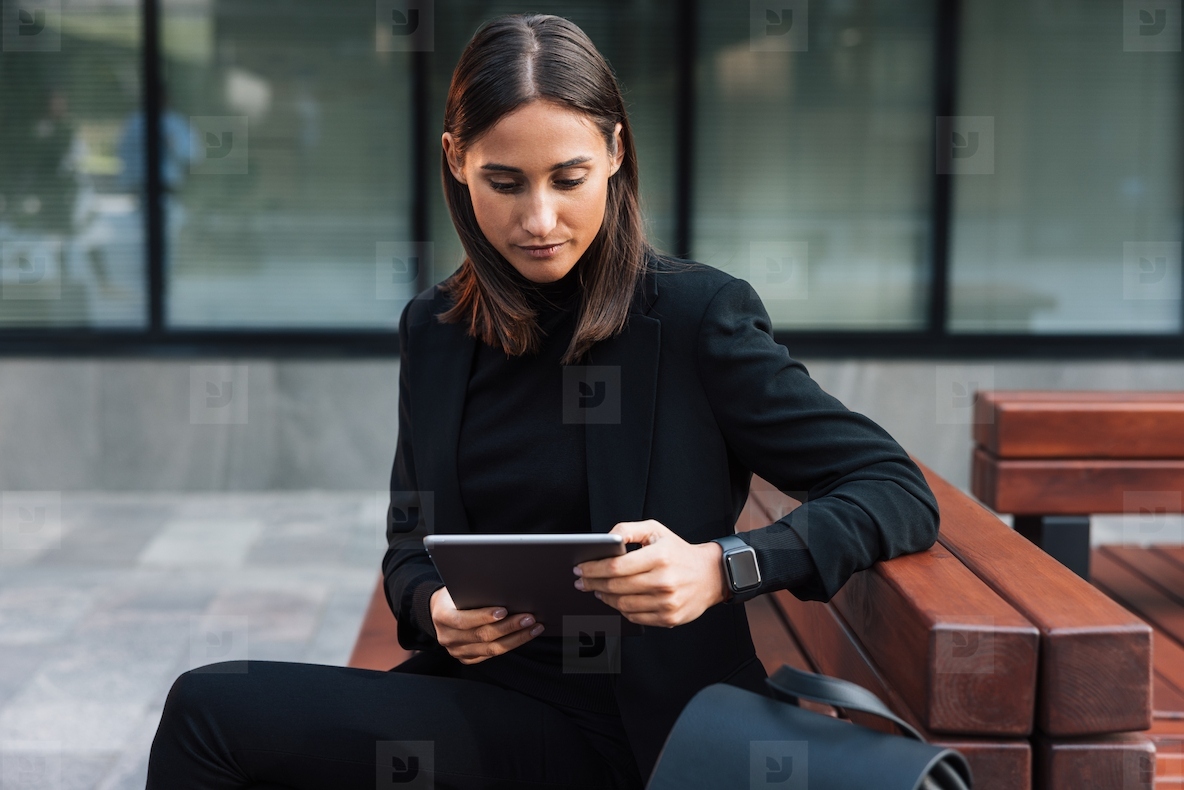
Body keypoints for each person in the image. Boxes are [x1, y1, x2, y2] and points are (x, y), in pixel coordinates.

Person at [145, 13, 940, 790]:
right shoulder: (436, 330)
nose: (540, 220)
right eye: (505, 182)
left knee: (210, 711)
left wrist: (723, 567)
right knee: (210, 708)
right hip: (479, 704)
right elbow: (410, 546)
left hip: (651, 735)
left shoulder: (697, 318)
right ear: (455, 160)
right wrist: (437, 608)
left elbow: (892, 488)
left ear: (616, 153)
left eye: (569, 179)